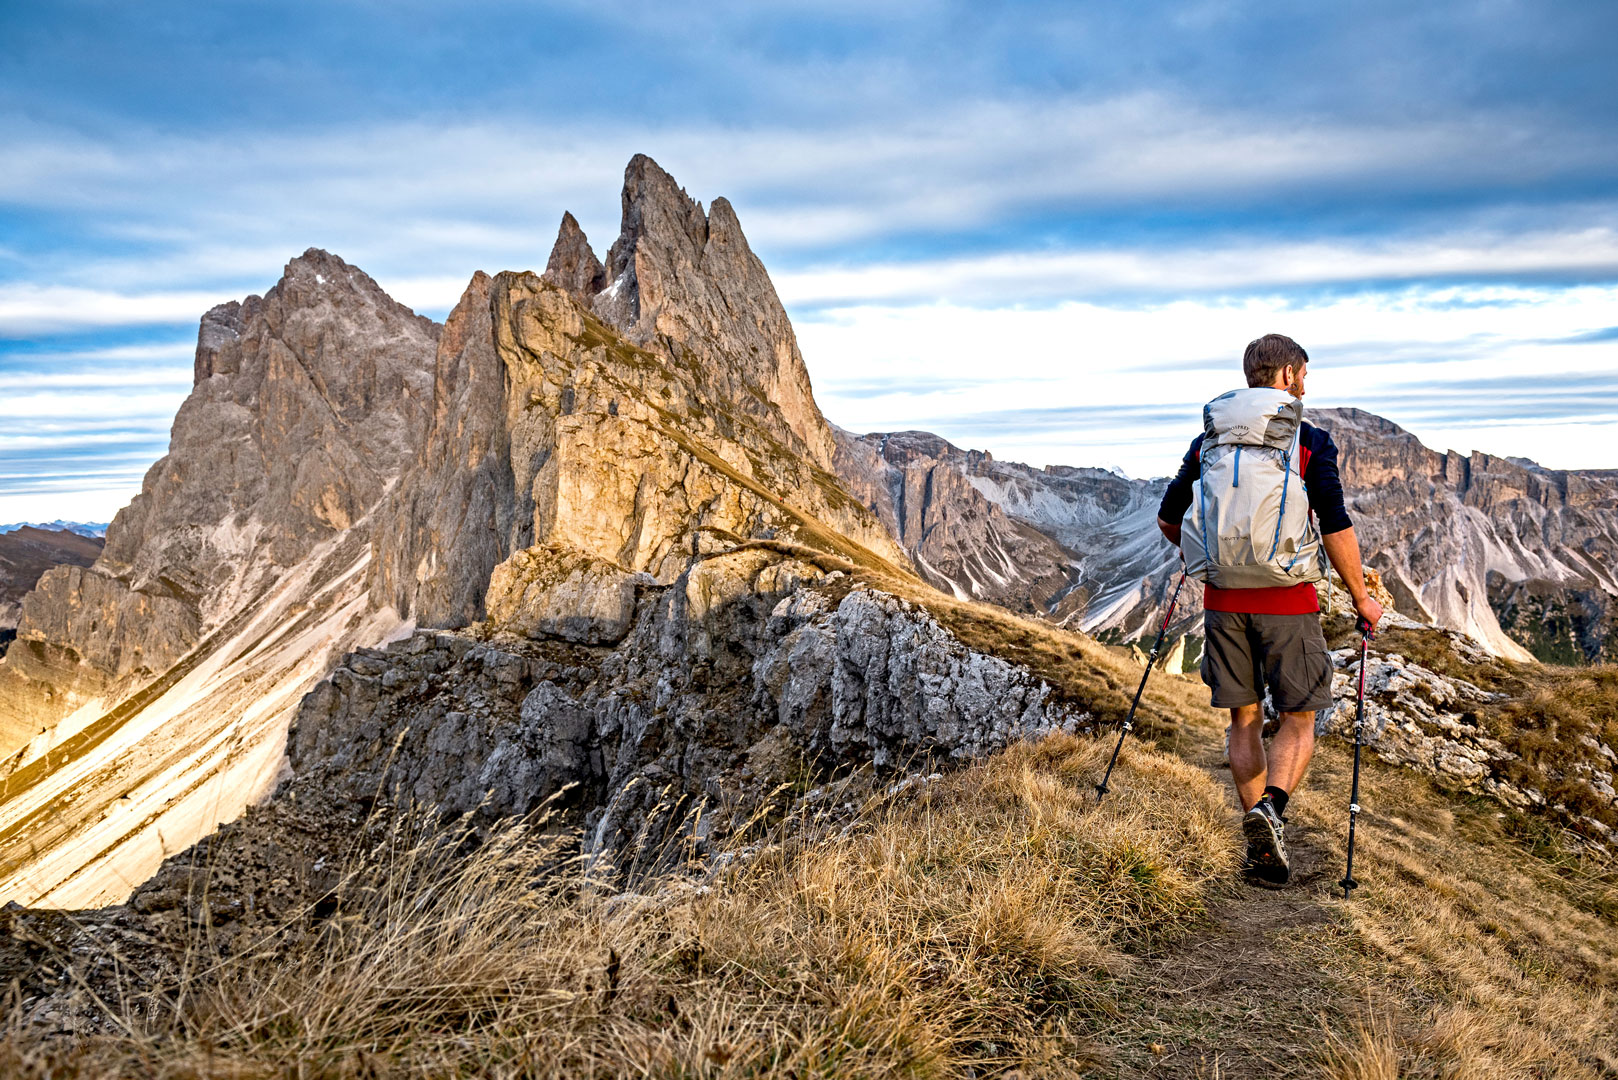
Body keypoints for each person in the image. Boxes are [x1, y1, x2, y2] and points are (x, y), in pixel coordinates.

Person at [1156, 334, 1383, 885]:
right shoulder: (1307, 439)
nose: (1306, 383)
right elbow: (1334, 523)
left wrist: (1211, 560)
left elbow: (1169, 518)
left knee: (1245, 717)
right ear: (1286, 374)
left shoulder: (1206, 442)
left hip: (1222, 601)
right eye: (1303, 373)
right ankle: (1271, 813)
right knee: (1300, 716)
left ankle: (1259, 843)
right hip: (1288, 600)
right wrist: (1360, 596)